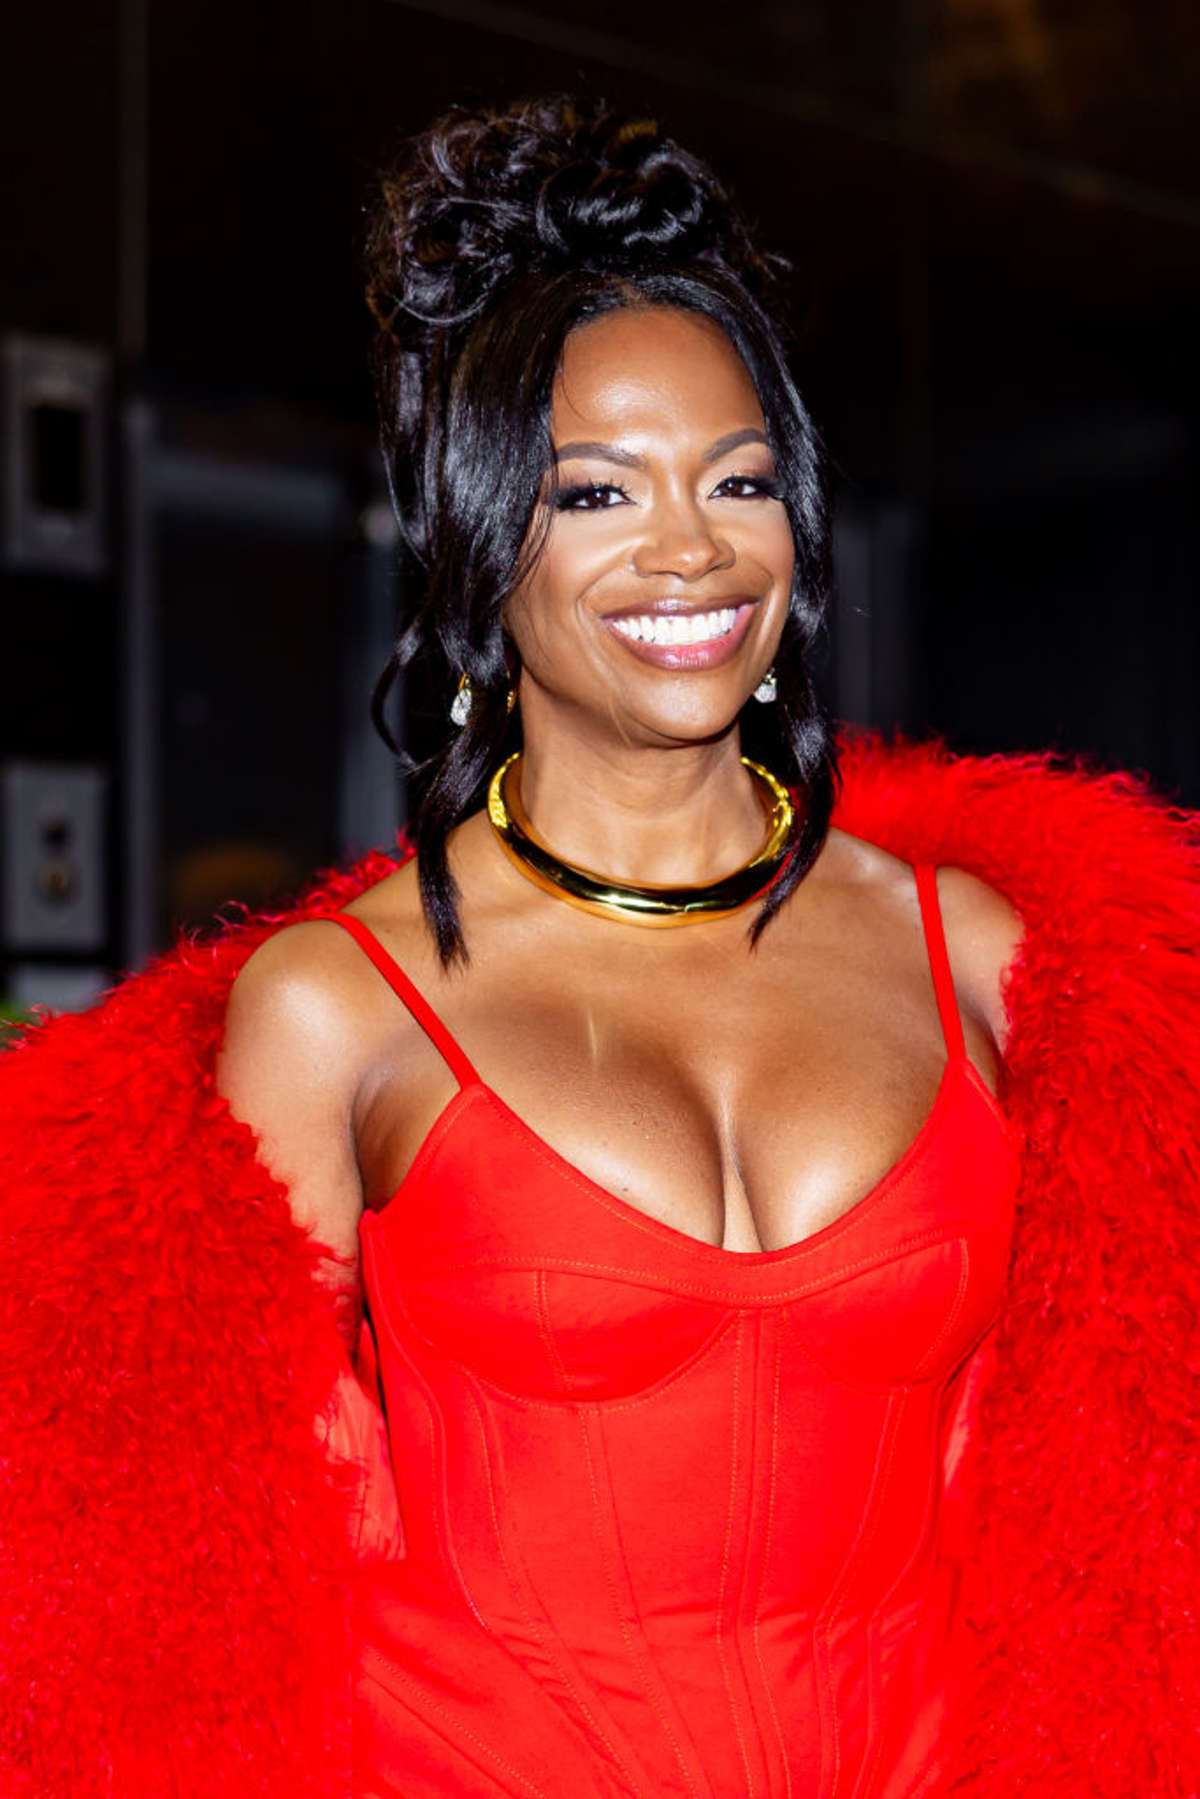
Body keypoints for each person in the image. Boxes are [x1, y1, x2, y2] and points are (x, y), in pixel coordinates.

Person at [2, 98, 1197, 1799]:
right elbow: (217, 1595)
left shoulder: (992, 960)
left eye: (740, 480)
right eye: (595, 492)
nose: (690, 547)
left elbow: (1105, 1498)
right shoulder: (337, 1012)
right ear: (481, 542)